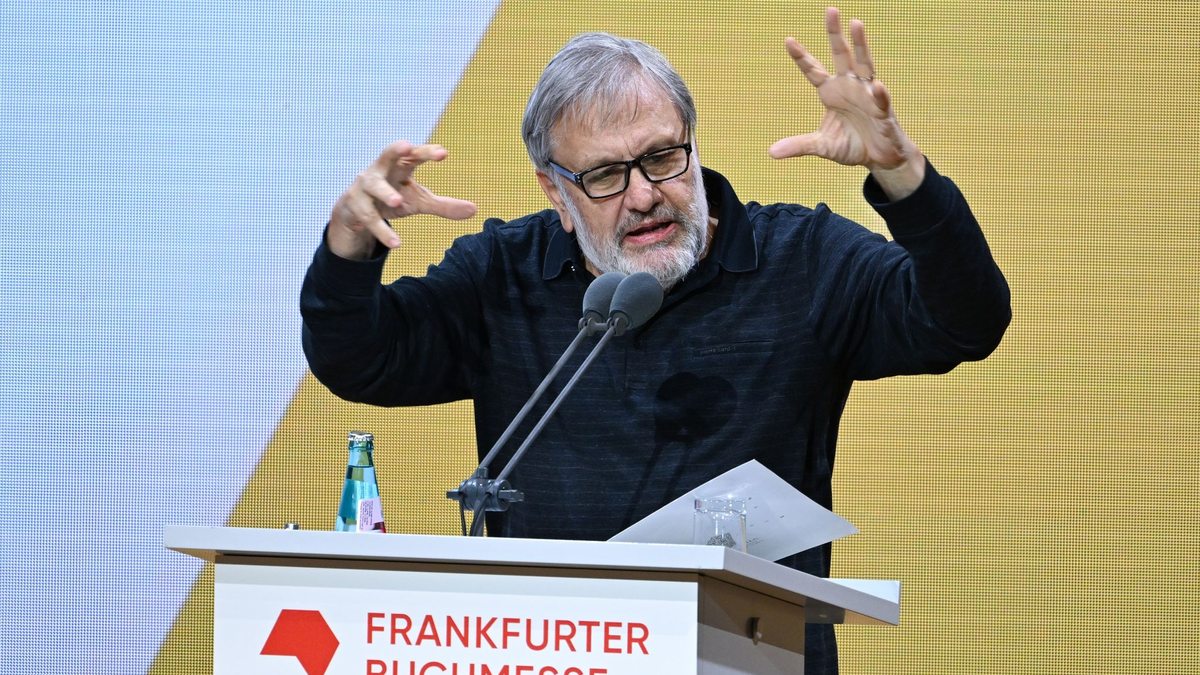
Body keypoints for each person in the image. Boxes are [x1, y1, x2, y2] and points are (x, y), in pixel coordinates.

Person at [300, 8, 1010, 674]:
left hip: (748, 659)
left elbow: (966, 320)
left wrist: (904, 175)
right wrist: (348, 248)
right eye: (606, 175)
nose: (643, 195)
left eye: (663, 157)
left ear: (693, 146)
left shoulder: (804, 259)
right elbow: (361, 360)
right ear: (555, 193)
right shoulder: (501, 276)